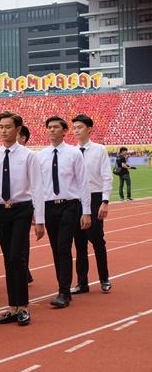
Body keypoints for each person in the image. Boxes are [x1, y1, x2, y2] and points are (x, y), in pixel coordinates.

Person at [0, 112, 45, 326]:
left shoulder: (29, 156)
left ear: (18, 129)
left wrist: (40, 219)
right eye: (1, 126)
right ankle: (12, 307)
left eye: (8, 127)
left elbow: (38, 187)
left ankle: (23, 307)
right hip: (2, 211)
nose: (3, 130)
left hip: (22, 209)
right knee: (8, 259)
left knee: (16, 257)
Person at [37, 117, 91, 309]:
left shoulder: (74, 154)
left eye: (55, 127)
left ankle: (64, 292)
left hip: (70, 205)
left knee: (63, 246)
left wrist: (86, 211)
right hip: (49, 206)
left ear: (64, 131)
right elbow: (38, 186)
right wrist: (38, 215)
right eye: (49, 127)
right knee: (55, 248)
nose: (52, 130)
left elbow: (83, 183)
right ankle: (63, 287)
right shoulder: (41, 155)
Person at [72, 114, 112, 294]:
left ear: (89, 129)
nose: (76, 130)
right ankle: (82, 283)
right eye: (74, 128)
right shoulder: (71, 152)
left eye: (79, 127)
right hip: (76, 200)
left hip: (95, 198)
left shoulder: (99, 150)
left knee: (96, 240)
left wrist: (105, 201)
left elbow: (106, 176)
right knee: (79, 243)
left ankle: (104, 278)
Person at [17, 125, 35, 285]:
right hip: (4, 206)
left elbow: (36, 185)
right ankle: (23, 271)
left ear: (23, 138)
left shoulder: (29, 157)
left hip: (25, 205)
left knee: (22, 242)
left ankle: (24, 271)